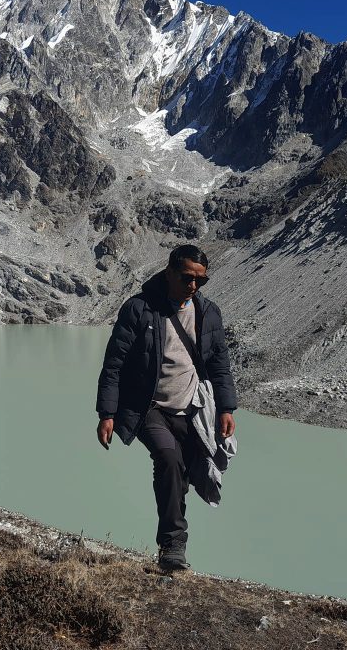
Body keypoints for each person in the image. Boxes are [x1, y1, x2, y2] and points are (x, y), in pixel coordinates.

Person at [96, 244, 237, 570]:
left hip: (191, 408)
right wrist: (107, 413)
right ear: (170, 272)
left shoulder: (208, 313)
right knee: (168, 459)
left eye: (201, 280)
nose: (193, 285)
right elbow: (114, 363)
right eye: (187, 277)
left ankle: (172, 540)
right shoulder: (139, 309)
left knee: (182, 475)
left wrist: (226, 408)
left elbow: (219, 365)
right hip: (148, 407)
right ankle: (173, 547)